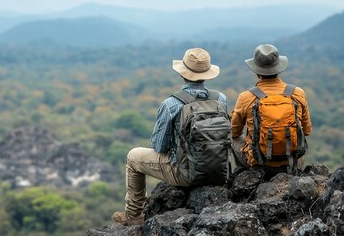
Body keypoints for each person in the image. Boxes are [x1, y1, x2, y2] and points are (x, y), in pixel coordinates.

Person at [112, 48, 227, 225]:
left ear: (183, 74)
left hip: (184, 174)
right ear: (207, 74)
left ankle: (134, 215)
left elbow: (159, 146)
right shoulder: (221, 99)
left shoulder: (171, 104)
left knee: (133, 157)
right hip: (219, 172)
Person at [231, 44, 312, 180]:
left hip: (258, 161)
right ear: (279, 68)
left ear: (256, 71)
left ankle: (248, 175)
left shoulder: (246, 97)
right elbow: (307, 131)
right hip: (291, 162)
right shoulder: (297, 93)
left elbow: (234, 132)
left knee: (232, 139)